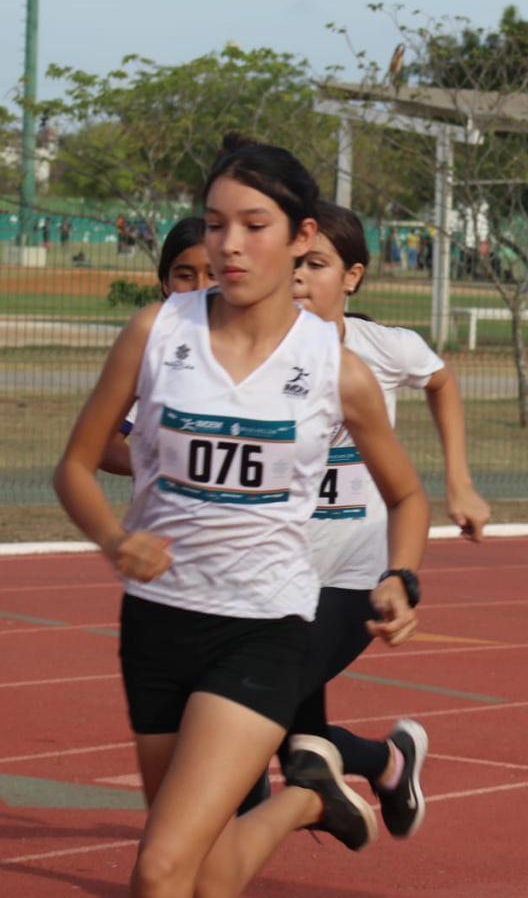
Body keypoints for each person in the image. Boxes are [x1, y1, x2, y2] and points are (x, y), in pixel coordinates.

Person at [54, 134, 429, 897]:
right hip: (157, 624)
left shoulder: (336, 370)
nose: (229, 244)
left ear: (301, 237)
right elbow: (73, 467)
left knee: (159, 869)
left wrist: (401, 576)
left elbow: (408, 496)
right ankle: (305, 802)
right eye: (216, 223)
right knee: (201, 873)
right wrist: (115, 540)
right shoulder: (156, 333)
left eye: (254, 225)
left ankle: (306, 796)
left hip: (261, 628)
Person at [273, 200, 490, 835]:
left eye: (316, 264)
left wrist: (459, 480)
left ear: (352, 277)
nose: (299, 276)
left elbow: (441, 381)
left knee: (256, 706)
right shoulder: (262, 353)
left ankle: (235, 829)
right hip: (280, 572)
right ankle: (388, 763)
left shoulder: (382, 348)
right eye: (291, 262)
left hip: (357, 571)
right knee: (295, 737)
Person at [100, 217, 216, 477]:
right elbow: (101, 445)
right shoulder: (154, 353)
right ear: (165, 282)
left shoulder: (270, 352)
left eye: (213, 275)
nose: (200, 287)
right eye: (185, 276)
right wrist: (165, 470)